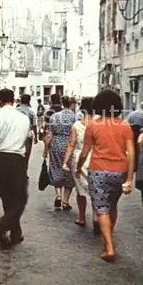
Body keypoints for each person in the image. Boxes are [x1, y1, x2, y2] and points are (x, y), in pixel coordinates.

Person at [76, 90, 134, 262]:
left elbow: (85, 152)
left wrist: (78, 168)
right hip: (119, 172)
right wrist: (129, 179)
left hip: (98, 170)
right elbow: (130, 153)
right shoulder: (125, 126)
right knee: (112, 205)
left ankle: (108, 247)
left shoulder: (93, 127)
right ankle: (108, 235)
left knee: (101, 207)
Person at [0, 88, 30, 248]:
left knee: (7, 196)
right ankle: (3, 225)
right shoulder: (23, 118)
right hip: (17, 158)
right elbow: (28, 140)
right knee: (21, 197)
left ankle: (15, 233)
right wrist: (26, 161)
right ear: (14, 100)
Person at [62, 97, 100, 233]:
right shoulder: (99, 123)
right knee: (96, 189)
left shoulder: (77, 125)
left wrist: (65, 161)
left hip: (79, 157)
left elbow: (71, 145)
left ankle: (82, 218)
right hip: (95, 157)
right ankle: (96, 217)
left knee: (80, 191)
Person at [43, 96, 77, 210]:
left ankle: (58, 195)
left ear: (62, 103)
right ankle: (65, 201)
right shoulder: (75, 116)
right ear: (71, 103)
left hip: (56, 143)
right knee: (69, 171)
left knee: (56, 168)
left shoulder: (54, 116)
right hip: (70, 144)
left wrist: (45, 149)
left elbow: (49, 134)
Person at [126, 101, 143, 176]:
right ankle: (137, 166)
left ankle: (131, 166)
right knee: (139, 151)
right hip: (140, 133)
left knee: (131, 150)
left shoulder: (132, 113)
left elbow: (126, 123)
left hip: (131, 132)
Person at [16, 94, 38, 168]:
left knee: (17, 154)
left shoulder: (16, 110)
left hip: (17, 134)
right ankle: (24, 171)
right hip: (28, 135)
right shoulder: (31, 111)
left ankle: (18, 170)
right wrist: (36, 137)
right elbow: (34, 125)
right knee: (27, 155)